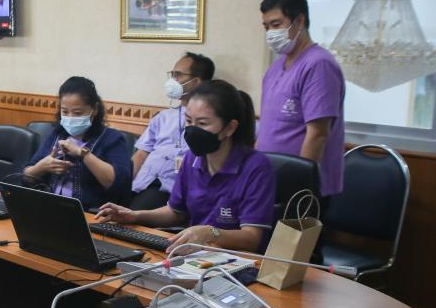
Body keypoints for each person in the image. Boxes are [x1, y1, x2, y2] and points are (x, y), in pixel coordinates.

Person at [97, 79, 275, 254]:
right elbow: (176, 212)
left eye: (203, 123)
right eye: (189, 121)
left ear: (229, 128)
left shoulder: (256, 167)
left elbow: (252, 238)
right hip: (194, 255)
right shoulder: (191, 158)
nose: (192, 130)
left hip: (234, 260)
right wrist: (134, 216)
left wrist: (210, 233)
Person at [256, 0, 346, 199]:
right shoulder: (276, 68)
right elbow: (267, 128)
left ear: (299, 21)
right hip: (271, 180)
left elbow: (318, 133)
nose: (270, 33)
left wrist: (299, 187)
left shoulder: (319, 64)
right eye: (266, 26)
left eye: (276, 24)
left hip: (301, 187)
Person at [23, 76, 133, 210]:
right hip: (48, 207)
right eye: (65, 112)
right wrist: (41, 167)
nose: (70, 118)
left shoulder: (111, 138)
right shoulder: (57, 134)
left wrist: (83, 153)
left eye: (77, 113)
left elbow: (117, 184)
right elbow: (26, 177)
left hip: (90, 214)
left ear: (95, 109)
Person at [130, 52, 215, 210]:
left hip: (168, 191)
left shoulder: (209, 121)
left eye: (178, 75)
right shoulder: (162, 117)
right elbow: (142, 153)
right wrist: (123, 181)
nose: (172, 80)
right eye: (172, 74)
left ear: (196, 82)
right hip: (140, 185)